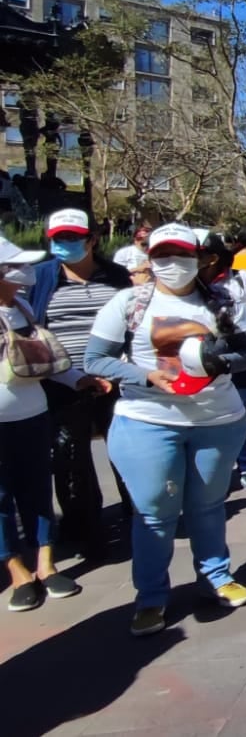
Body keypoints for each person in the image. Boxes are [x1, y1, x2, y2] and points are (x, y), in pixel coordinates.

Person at [83, 223, 246, 636]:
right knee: (155, 514)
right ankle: (150, 597)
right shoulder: (128, 302)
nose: (172, 264)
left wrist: (220, 363)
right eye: (162, 255)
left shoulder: (226, 299)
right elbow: (95, 359)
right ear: (149, 258)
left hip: (218, 421)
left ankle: (217, 577)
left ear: (200, 258)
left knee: (208, 506)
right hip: (148, 422)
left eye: (181, 255)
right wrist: (143, 376)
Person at [0, 235, 103, 611]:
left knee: (38, 488)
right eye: (13, 268)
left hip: (32, 413)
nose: (24, 273)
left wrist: (77, 378)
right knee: (1, 498)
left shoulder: (24, 308)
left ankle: (46, 563)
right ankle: (17, 572)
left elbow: (45, 358)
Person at [27, 209, 135, 553]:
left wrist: (120, 368)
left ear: (92, 240)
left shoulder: (117, 277)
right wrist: (71, 377)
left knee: (126, 451)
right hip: (61, 383)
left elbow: (132, 328)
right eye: (59, 239)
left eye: (73, 238)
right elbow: (32, 332)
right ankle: (83, 527)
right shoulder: (41, 277)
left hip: (115, 381)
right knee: (69, 456)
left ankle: (140, 518)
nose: (65, 245)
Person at [202, 233, 246, 498]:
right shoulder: (188, 286)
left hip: (242, 355)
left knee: (243, 411)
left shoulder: (242, 280)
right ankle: (214, 472)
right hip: (201, 360)